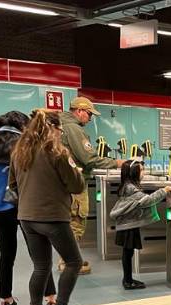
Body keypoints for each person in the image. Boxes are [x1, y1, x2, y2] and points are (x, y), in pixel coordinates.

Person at [0, 111, 58, 305]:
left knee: (6, 254)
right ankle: (51, 300)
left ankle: (6, 301)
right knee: (40, 255)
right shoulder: (28, 143)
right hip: (27, 205)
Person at [9, 110, 86, 305]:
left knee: (41, 267)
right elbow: (77, 186)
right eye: (60, 130)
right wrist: (76, 171)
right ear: (52, 128)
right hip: (53, 217)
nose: (61, 134)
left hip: (27, 218)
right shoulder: (57, 152)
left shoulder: (19, 152)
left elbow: (12, 185)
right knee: (74, 262)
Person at [59, 96, 123, 274]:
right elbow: (89, 158)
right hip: (75, 182)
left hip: (63, 182)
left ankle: (68, 259)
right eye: (89, 114)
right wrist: (117, 163)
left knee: (68, 220)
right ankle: (69, 263)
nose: (90, 118)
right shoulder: (74, 129)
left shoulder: (61, 125)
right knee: (76, 220)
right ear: (79, 111)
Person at [110, 160, 171, 290]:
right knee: (128, 253)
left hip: (128, 223)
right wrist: (163, 191)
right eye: (141, 170)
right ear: (134, 172)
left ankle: (128, 278)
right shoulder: (131, 188)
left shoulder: (127, 185)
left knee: (128, 252)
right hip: (128, 225)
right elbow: (147, 200)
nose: (144, 172)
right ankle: (127, 281)